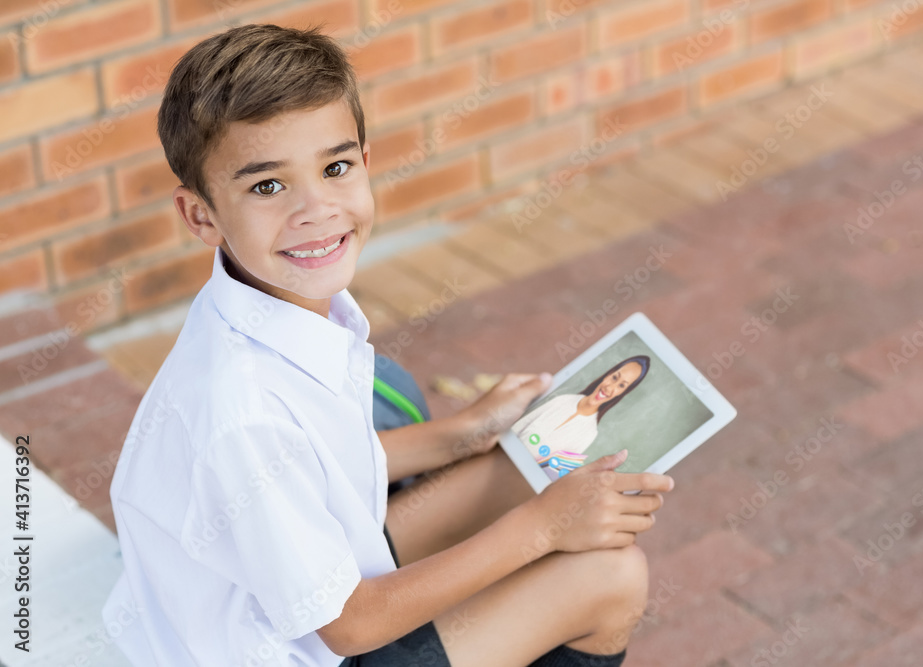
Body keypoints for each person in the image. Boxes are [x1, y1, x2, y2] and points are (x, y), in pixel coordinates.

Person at [101, 24, 674, 667]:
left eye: (335, 167)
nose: (315, 208)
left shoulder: (265, 305)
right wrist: (542, 531)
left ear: (365, 162)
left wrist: (460, 432)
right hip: (311, 645)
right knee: (610, 577)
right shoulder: (240, 408)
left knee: (518, 465)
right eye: (268, 186)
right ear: (201, 214)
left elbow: (314, 464)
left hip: (296, 588)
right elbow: (345, 627)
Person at [513, 357, 650, 479]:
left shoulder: (589, 433)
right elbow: (516, 428)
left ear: (622, 393)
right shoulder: (562, 400)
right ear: (608, 375)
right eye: (614, 378)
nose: (610, 387)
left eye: (621, 386)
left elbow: (553, 473)